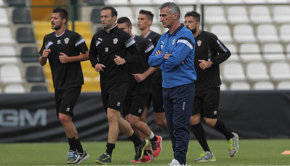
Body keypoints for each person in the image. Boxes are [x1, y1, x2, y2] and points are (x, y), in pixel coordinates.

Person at [89, 6, 148, 164]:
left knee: (111, 116)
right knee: (116, 118)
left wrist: (124, 60)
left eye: (106, 16)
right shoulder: (97, 36)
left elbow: (136, 55)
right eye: (101, 16)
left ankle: (108, 153)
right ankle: (138, 142)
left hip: (120, 81)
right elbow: (92, 55)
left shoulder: (123, 36)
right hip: (105, 81)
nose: (103, 19)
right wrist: (95, 64)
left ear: (114, 18)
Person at [184, 11, 239, 162]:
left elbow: (226, 52)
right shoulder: (184, 40)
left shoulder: (209, 37)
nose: (187, 24)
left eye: (190, 22)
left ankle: (230, 136)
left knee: (209, 120)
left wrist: (211, 62)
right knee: (193, 119)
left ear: (197, 23)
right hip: (193, 86)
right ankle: (208, 153)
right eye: (185, 22)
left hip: (210, 86)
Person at [39, 8, 89, 164]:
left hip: (73, 82)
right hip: (58, 84)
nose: (52, 20)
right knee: (65, 119)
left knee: (64, 116)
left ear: (64, 20)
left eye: (55, 18)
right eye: (51, 18)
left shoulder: (74, 36)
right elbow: (41, 62)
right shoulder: (47, 38)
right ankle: (79, 151)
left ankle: (76, 151)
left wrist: (69, 59)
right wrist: (43, 57)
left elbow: (87, 55)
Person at [148, 2, 196, 166]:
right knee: (172, 126)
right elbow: (151, 60)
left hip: (183, 86)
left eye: (163, 15)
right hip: (167, 86)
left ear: (175, 15)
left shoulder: (186, 35)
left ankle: (180, 160)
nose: (160, 19)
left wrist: (165, 58)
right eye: (160, 15)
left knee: (180, 125)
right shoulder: (164, 36)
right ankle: (178, 158)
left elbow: (174, 60)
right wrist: (165, 57)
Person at [117, 16, 162, 163]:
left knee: (134, 120)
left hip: (141, 87)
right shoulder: (118, 45)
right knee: (129, 122)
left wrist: (144, 75)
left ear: (130, 28)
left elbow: (156, 62)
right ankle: (146, 153)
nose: (121, 32)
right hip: (125, 88)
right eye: (119, 30)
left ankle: (155, 139)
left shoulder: (143, 42)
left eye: (123, 29)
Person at [134, 9, 167, 130]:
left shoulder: (157, 38)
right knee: (139, 119)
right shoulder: (136, 40)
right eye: (138, 19)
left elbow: (160, 61)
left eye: (142, 19)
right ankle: (148, 148)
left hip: (156, 84)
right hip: (142, 85)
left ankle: (181, 139)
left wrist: (145, 74)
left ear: (150, 22)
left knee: (160, 121)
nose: (139, 21)